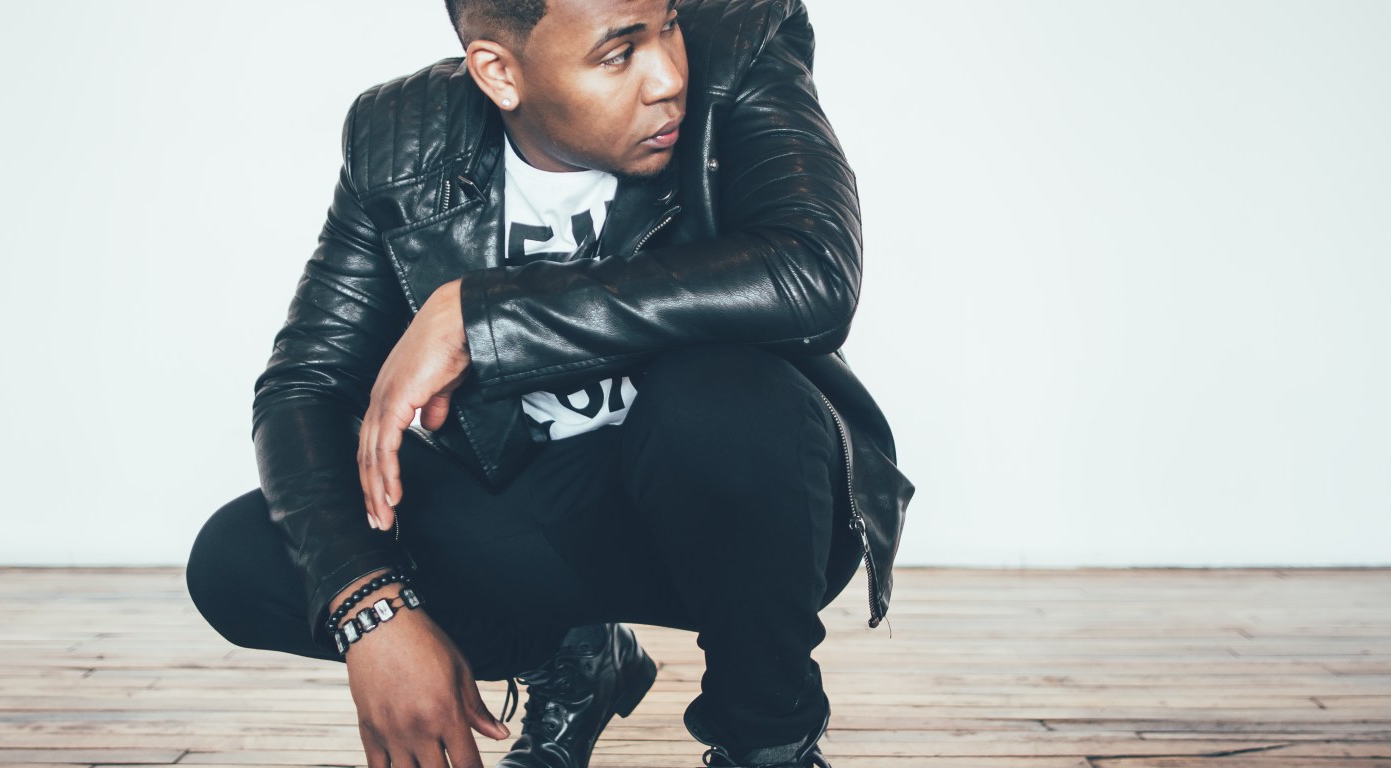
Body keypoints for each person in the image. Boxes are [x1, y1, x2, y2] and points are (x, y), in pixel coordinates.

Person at [185, 0, 913, 766]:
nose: (669, 77)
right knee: (245, 560)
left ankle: (768, 743)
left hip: (756, 503)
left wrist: (484, 318)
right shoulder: (400, 136)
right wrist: (370, 607)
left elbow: (811, 273)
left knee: (714, 401)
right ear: (499, 73)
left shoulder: (742, 47)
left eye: (668, 23)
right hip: (539, 512)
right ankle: (572, 659)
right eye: (618, 54)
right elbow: (307, 384)